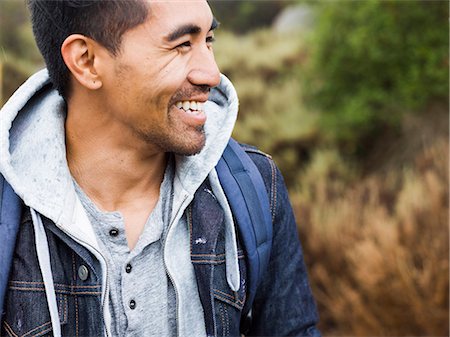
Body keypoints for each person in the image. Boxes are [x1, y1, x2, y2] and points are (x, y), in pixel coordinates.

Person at [0, 0, 320, 336]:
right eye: (182, 45)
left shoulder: (253, 186)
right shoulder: (9, 210)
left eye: (208, 40)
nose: (212, 74)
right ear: (87, 61)